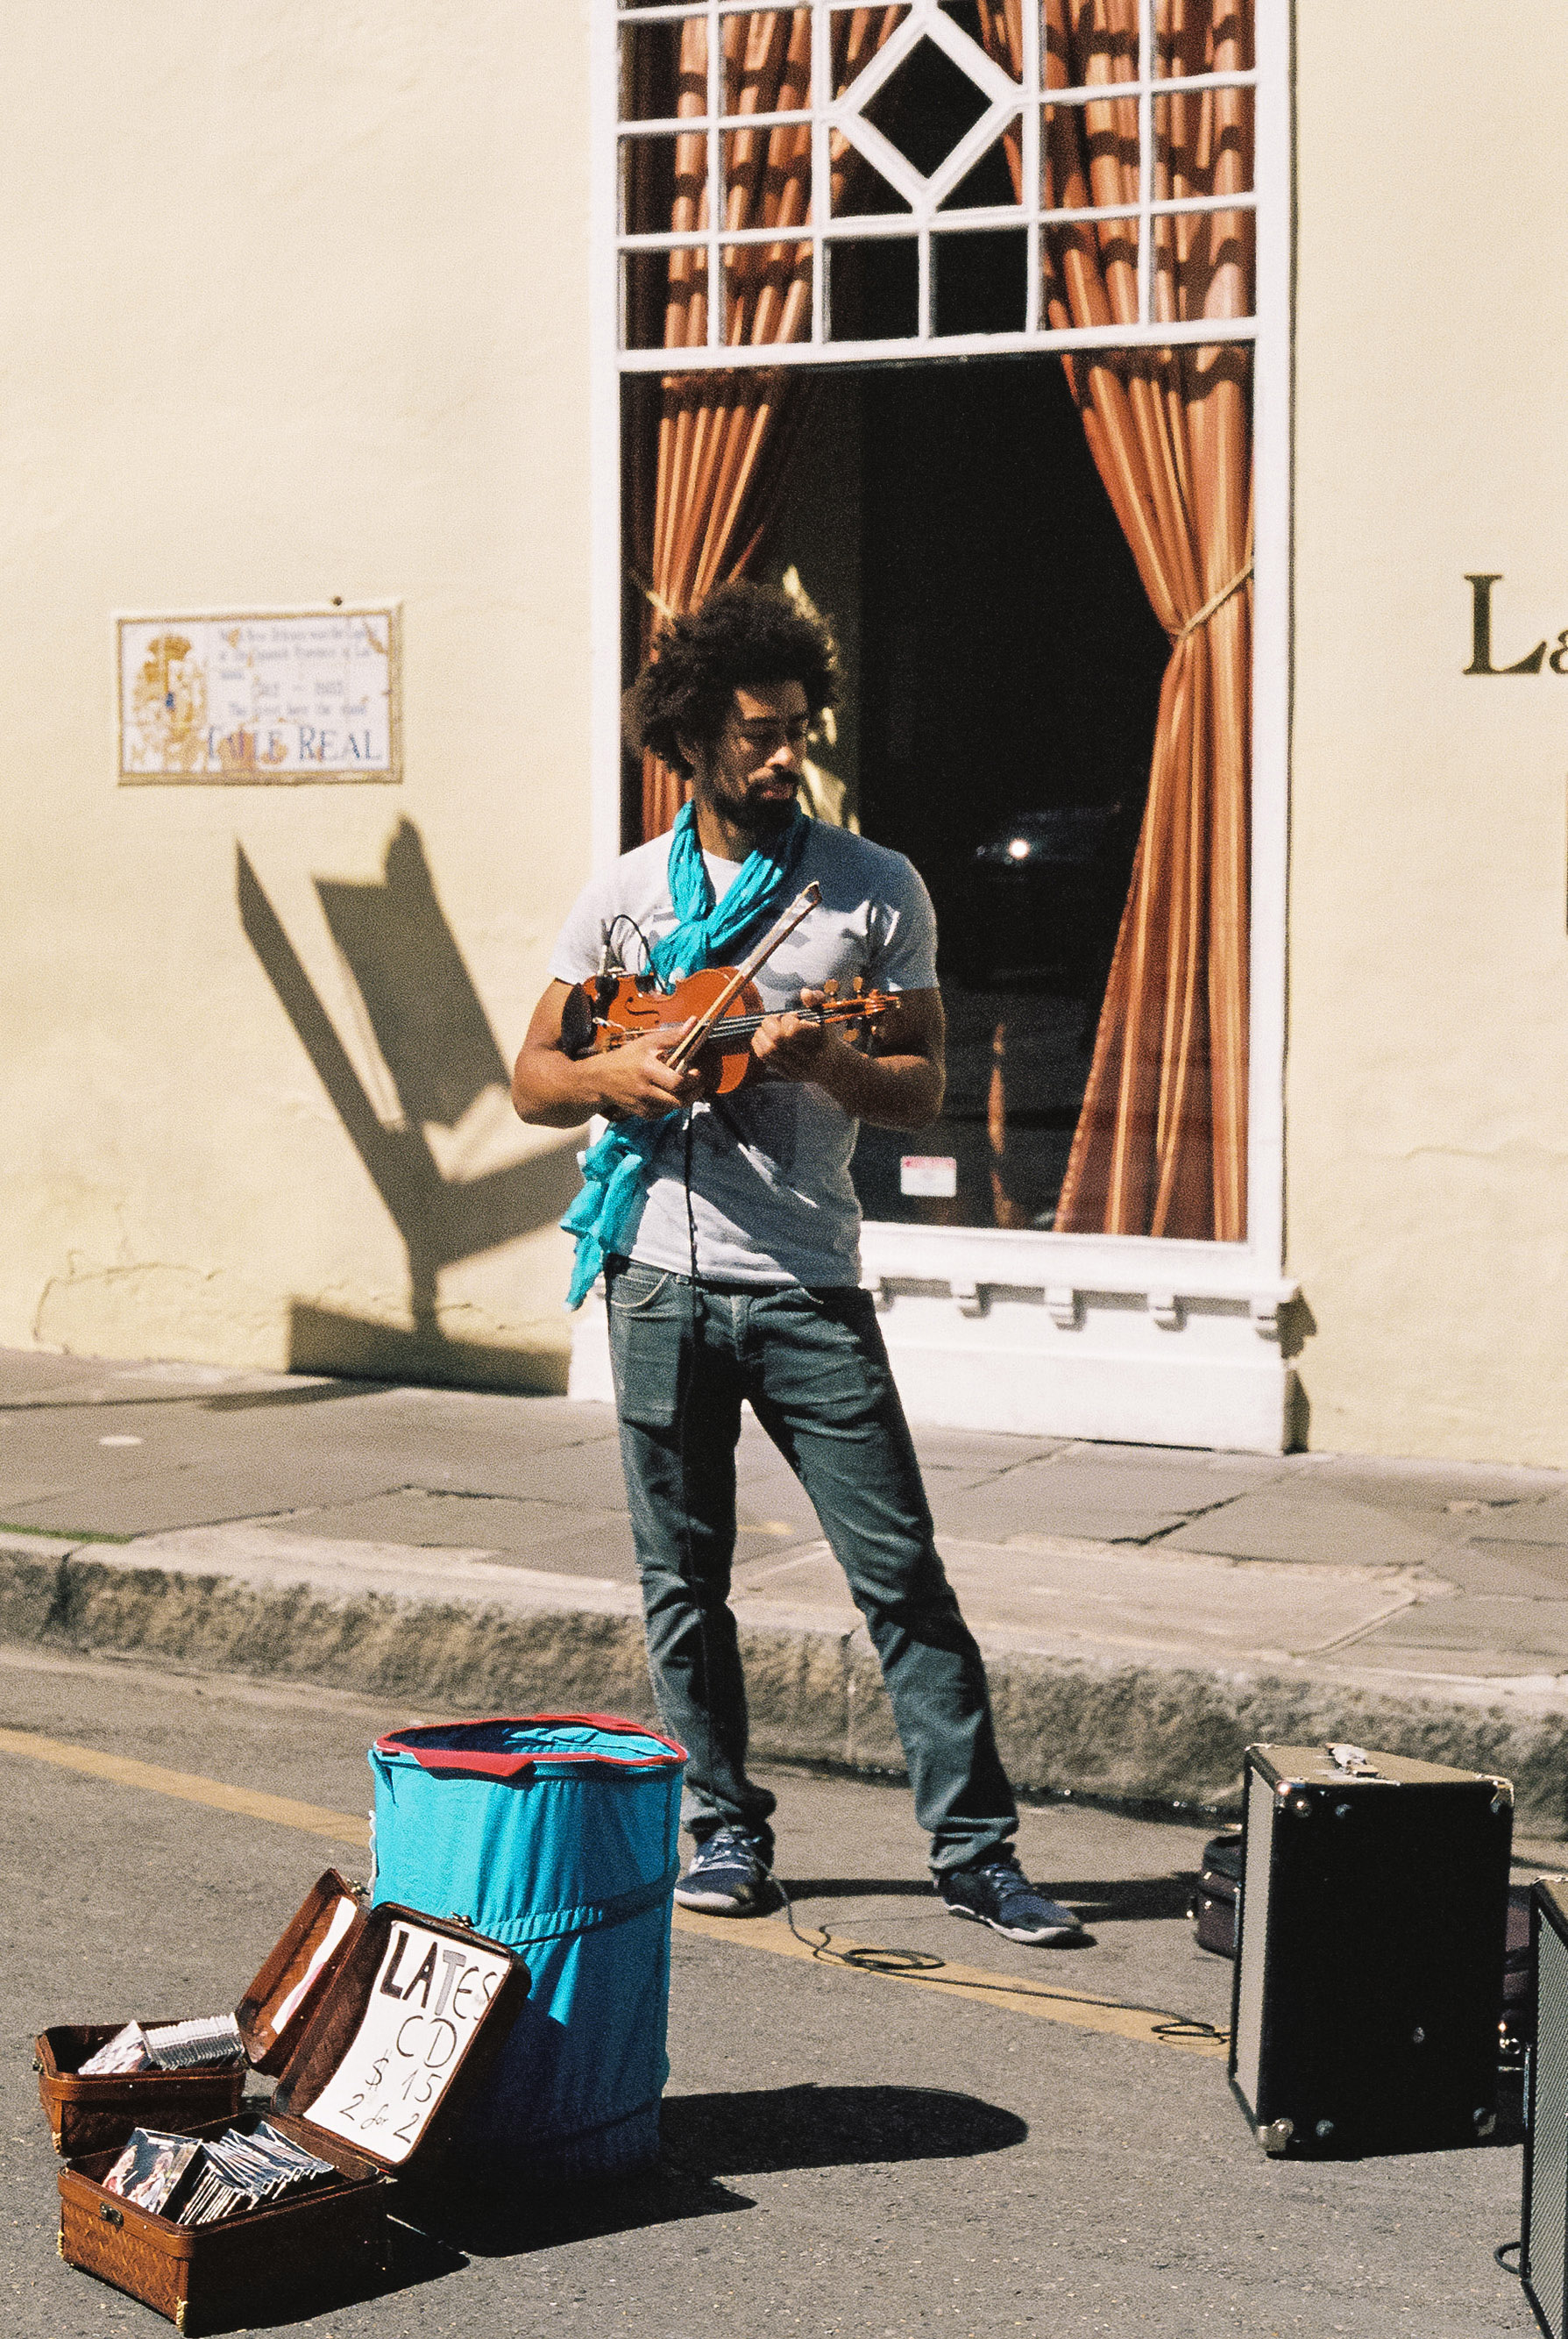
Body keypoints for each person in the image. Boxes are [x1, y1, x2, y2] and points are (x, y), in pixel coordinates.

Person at [511, 582, 1083, 1946]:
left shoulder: (871, 893)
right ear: (694, 740)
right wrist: (615, 1073)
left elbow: (924, 1087)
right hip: (652, 1273)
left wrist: (824, 1053)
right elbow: (533, 1079)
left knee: (899, 1574)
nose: (784, 757)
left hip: (804, 1278)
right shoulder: (626, 900)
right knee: (680, 1577)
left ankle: (975, 1851)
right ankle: (725, 1829)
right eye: (758, 734)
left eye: (798, 731)